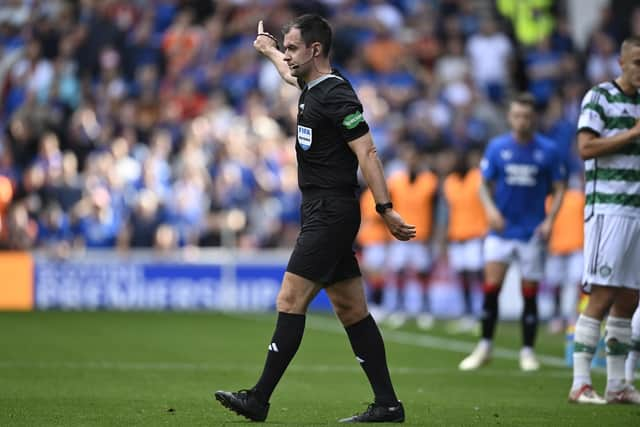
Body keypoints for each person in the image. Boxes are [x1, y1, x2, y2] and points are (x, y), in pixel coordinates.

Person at [215, 15, 415, 423]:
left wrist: (386, 208)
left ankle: (259, 399)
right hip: (322, 211)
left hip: (331, 212)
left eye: (291, 48)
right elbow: (293, 80)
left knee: (289, 300)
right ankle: (388, 405)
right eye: (285, 48)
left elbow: (368, 153)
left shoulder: (338, 94)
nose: (287, 56)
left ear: (315, 50)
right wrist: (270, 51)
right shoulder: (313, 87)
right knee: (351, 309)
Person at [458, 93, 566, 372]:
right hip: (501, 230)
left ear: (534, 118)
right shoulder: (497, 148)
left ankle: (527, 351)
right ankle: (485, 347)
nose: (522, 121)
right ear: (510, 117)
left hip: (532, 232)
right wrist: (491, 211)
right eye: (517, 115)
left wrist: (550, 219)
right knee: (491, 289)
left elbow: (559, 187)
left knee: (529, 293)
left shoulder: (549, 150)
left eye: (527, 116)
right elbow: (483, 185)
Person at [568, 36, 640, 405]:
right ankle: (581, 383)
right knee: (602, 294)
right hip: (609, 210)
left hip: (637, 210)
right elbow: (585, 148)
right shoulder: (601, 96)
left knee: (629, 297)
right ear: (621, 61)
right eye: (637, 62)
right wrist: (632, 133)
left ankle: (617, 385)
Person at [385, 144, 438, 329]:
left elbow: (436, 209)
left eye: (414, 157)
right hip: (400, 235)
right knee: (399, 272)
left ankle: (425, 309)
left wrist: (435, 234)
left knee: (423, 274)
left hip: (421, 235)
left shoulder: (430, 181)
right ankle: (400, 308)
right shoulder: (396, 181)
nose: (411, 161)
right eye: (408, 157)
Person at [443, 147, 488, 333]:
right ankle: (468, 312)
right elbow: (446, 212)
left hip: (476, 234)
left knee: (476, 275)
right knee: (462, 276)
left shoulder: (477, 177)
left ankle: (482, 312)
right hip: (457, 236)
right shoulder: (450, 182)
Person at [544, 174, 584, 334]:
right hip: (556, 247)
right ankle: (557, 316)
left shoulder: (578, 198)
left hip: (576, 246)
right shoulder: (548, 200)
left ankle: (575, 316)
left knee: (578, 283)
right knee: (556, 285)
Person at [357, 188, 390, 321]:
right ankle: (371, 304)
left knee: (376, 274)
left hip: (378, 240)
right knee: (367, 274)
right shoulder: (366, 195)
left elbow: (383, 216)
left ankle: (378, 305)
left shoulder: (383, 193)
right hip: (366, 240)